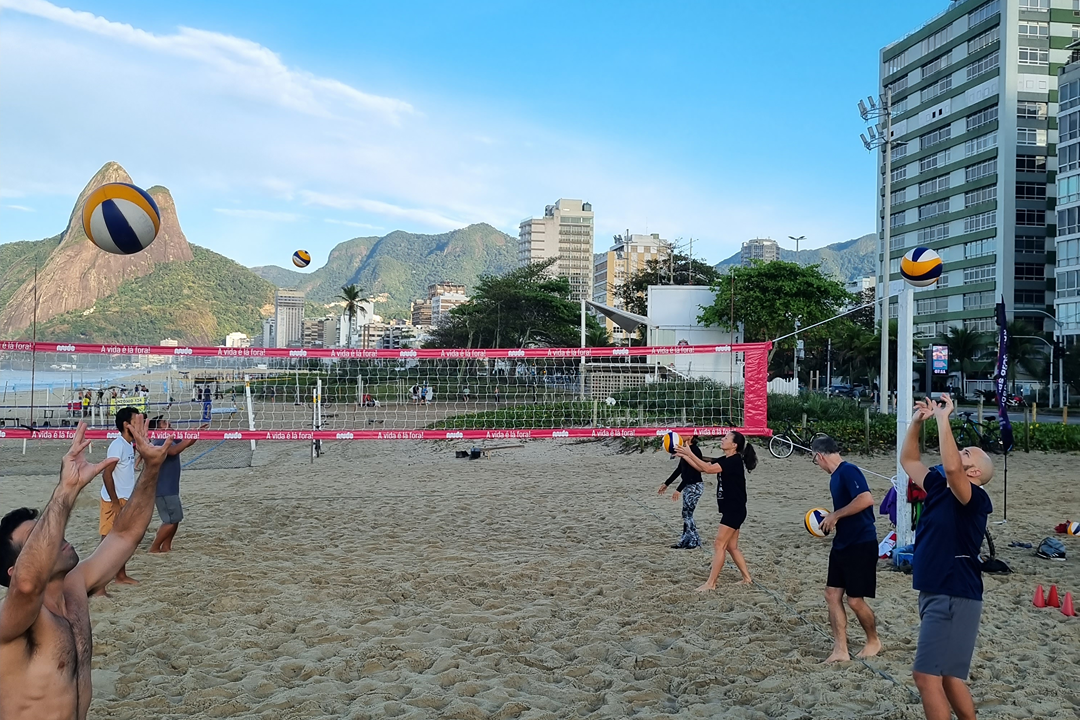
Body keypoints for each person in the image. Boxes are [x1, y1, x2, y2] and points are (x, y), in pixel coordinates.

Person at [0, 419, 170, 720]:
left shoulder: (74, 586)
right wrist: (67, 489)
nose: (55, 536)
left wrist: (152, 468)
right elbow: (27, 586)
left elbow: (125, 535)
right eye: (38, 537)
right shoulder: (13, 618)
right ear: (14, 571)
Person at [901, 395, 995, 720]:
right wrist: (917, 423)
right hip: (938, 590)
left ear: (974, 472)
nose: (958, 453)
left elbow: (953, 467)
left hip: (953, 592)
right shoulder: (940, 486)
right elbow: (909, 461)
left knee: (926, 676)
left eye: (966, 452)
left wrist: (944, 418)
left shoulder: (975, 497)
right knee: (950, 679)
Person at [810, 435, 882, 664]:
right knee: (832, 594)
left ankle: (873, 641)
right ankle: (840, 650)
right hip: (843, 542)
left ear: (819, 456)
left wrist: (835, 515)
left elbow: (866, 499)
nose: (816, 464)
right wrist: (832, 519)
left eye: (814, 460)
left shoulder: (849, 470)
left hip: (861, 542)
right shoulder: (836, 477)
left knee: (855, 600)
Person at [675, 431, 756, 590]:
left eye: (726, 438)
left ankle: (711, 583)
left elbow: (707, 469)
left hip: (734, 510)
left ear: (734, 445)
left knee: (719, 544)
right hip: (734, 509)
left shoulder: (734, 461)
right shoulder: (726, 459)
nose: (722, 439)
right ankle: (747, 579)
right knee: (731, 547)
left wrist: (689, 453)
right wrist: (685, 455)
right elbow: (702, 467)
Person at [97, 406, 144, 593]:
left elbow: (125, 472)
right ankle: (98, 582)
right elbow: (106, 474)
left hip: (125, 499)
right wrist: (115, 502)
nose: (138, 424)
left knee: (122, 539)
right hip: (113, 500)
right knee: (107, 541)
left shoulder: (128, 444)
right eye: (135, 421)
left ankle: (120, 576)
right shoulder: (117, 445)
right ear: (126, 425)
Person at [147, 417, 203, 554]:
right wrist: (190, 436)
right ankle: (154, 548)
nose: (169, 423)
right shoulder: (159, 441)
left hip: (171, 487)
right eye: (164, 423)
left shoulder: (169, 438)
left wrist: (196, 433)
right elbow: (173, 451)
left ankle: (166, 546)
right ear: (157, 429)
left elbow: (186, 444)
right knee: (170, 520)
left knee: (176, 519)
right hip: (163, 489)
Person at [657, 436, 705, 549]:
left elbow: (691, 473)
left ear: (691, 436)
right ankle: (686, 540)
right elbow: (679, 469)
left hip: (694, 485)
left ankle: (693, 540)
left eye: (684, 433)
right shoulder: (685, 449)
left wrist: (679, 489)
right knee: (687, 514)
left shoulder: (694, 450)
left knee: (687, 514)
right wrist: (666, 483)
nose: (681, 435)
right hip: (689, 485)